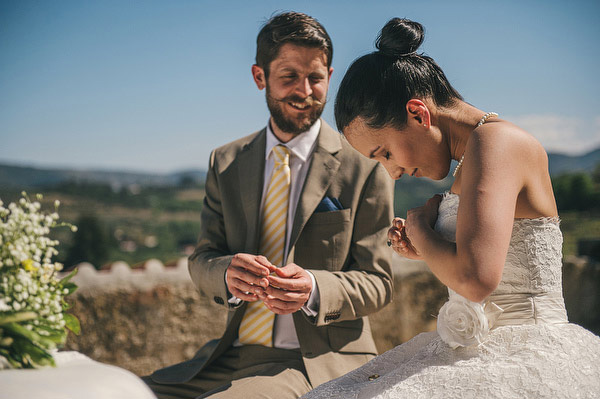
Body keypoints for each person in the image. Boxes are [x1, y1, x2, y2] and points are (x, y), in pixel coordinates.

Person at [303, 18, 600, 398]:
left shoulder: (497, 143)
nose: (392, 173)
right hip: (482, 350)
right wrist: (426, 247)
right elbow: (484, 258)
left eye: (386, 153)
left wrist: (421, 229)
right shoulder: (477, 154)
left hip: (523, 352)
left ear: (418, 113)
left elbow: (476, 280)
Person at [143, 11, 395, 399]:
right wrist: (225, 273)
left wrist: (313, 287)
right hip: (227, 356)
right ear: (259, 76)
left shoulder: (365, 164)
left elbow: (379, 283)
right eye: (289, 76)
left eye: (316, 77)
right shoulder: (224, 161)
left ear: (330, 74)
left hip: (314, 360)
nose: (306, 91)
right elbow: (203, 258)